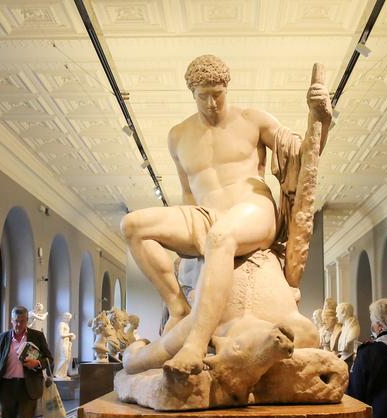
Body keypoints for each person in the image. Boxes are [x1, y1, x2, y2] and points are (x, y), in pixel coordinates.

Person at [119, 54, 331, 376]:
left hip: (253, 208)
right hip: (205, 213)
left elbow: (303, 157)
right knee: (132, 225)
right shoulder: (178, 136)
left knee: (221, 237)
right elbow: (188, 194)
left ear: (226, 88)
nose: (211, 103)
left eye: (217, 94)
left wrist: (320, 117)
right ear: (192, 93)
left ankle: (194, 345)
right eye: (203, 96)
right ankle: (178, 309)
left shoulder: (252, 119)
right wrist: (187, 260)